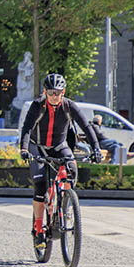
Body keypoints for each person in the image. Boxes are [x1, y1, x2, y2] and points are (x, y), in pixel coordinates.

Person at [19, 73, 100, 253]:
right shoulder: (37, 106)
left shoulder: (69, 106)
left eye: (58, 92)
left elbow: (86, 126)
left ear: (63, 92)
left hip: (59, 145)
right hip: (37, 146)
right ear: (45, 92)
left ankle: (65, 201)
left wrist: (96, 148)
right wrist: (24, 149)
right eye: (51, 93)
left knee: (71, 169)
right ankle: (39, 228)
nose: (55, 96)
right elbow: (26, 129)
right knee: (40, 185)